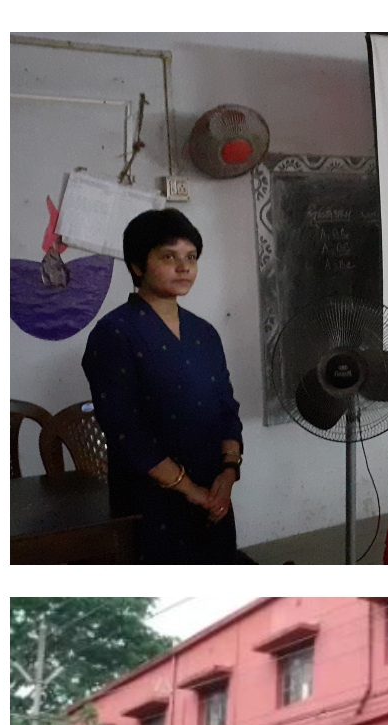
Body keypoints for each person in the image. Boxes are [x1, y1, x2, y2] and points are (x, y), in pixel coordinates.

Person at [79, 209, 244, 562]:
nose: (183, 267)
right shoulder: (115, 333)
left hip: (213, 492)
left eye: (191, 258)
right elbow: (125, 430)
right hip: (149, 499)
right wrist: (190, 490)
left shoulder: (204, 333)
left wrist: (228, 474)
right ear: (138, 266)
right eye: (169, 257)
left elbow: (225, 406)